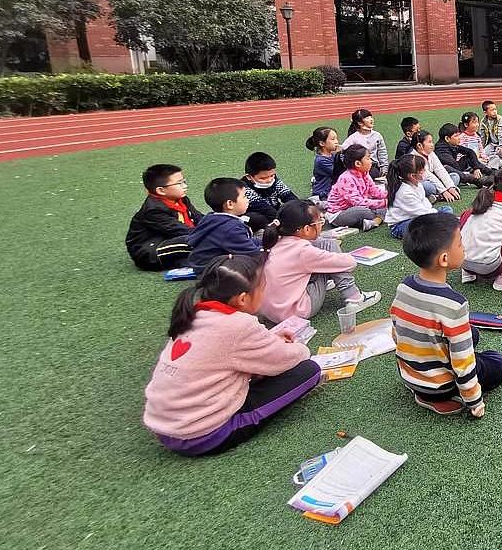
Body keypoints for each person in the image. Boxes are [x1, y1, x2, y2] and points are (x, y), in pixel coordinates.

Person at [143, 255, 321, 455]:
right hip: (202, 435)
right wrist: (301, 348)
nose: (265, 292)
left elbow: (225, 350)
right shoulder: (239, 325)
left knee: (256, 369)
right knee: (310, 371)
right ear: (243, 298)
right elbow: (288, 359)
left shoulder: (194, 315)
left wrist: (270, 338)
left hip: (164, 427)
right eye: (262, 288)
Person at [392, 212, 502, 417]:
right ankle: (438, 396)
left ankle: (422, 389)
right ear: (444, 259)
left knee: (471, 333)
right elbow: (463, 363)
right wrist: (474, 400)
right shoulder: (454, 305)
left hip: (409, 375)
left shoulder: (404, 286)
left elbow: (397, 331)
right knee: (498, 362)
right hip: (442, 386)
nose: (464, 247)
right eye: (461, 243)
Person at [259, 200, 380, 322]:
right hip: (295, 311)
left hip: (271, 311)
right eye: (319, 222)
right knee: (329, 245)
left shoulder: (277, 240)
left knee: (323, 249)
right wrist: (344, 256)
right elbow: (349, 263)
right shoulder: (303, 251)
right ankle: (355, 298)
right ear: (306, 229)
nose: (321, 225)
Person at [126, 163, 203, 271]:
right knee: (196, 239)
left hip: (171, 239)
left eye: (184, 181)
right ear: (161, 190)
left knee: (213, 227)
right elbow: (181, 230)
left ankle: (190, 260)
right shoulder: (153, 210)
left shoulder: (181, 199)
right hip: (150, 252)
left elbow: (199, 218)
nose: (185, 186)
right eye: (179, 183)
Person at [188, 178, 262, 271]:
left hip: (205, 266)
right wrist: (272, 249)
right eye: (244, 197)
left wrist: (266, 241)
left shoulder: (212, 217)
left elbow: (247, 241)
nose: (248, 200)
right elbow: (254, 254)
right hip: (214, 273)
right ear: (230, 204)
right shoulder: (230, 229)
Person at [385, 153, 453, 240]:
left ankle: (441, 226)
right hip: (401, 224)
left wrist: (437, 215)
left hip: (418, 216)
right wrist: (438, 217)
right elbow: (421, 212)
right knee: (425, 227)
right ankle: (442, 228)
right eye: (422, 170)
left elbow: (425, 203)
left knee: (446, 209)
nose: (425, 172)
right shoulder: (404, 192)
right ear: (413, 176)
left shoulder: (417, 184)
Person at [325, 144, 387, 230]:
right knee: (363, 211)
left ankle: (373, 222)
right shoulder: (346, 178)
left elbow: (374, 191)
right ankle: (376, 219)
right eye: (368, 158)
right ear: (358, 163)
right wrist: (383, 203)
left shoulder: (365, 173)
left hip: (356, 207)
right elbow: (358, 202)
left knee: (383, 205)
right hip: (340, 214)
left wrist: (390, 196)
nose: (371, 161)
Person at [241, 151, 299, 232]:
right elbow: (265, 210)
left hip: (274, 212)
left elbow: (289, 196)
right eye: (263, 178)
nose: (269, 180)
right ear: (249, 177)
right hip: (258, 217)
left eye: (272, 175)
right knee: (256, 218)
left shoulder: (274, 181)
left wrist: (299, 210)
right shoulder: (244, 189)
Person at [410, 130, 462, 204]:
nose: (432, 144)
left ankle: (437, 197)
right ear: (419, 145)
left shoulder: (431, 153)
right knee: (427, 186)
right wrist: (443, 191)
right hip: (423, 182)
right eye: (429, 142)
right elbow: (428, 176)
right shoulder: (414, 158)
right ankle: (440, 195)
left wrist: (451, 187)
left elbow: (440, 170)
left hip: (435, 180)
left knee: (455, 176)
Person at [436, 122, 491, 187]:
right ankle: (478, 180)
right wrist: (469, 174)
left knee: (467, 158)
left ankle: (491, 173)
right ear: (447, 139)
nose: (459, 138)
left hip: (456, 169)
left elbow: (470, 152)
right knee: (449, 170)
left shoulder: (451, 145)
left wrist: (476, 168)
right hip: (446, 175)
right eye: (456, 136)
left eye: (459, 135)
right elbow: (453, 165)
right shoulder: (441, 150)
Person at [342, 108, 389, 179]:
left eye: (371, 117)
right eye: (367, 118)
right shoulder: (352, 138)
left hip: (373, 167)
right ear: (360, 123)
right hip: (359, 169)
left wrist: (384, 167)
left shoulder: (377, 135)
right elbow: (343, 154)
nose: (371, 119)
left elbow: (382, 152)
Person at [306, 126, 343, 203]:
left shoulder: (332, 155)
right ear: (322, 143)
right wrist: (343, 153)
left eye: (336, 138)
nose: (336, 141)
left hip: (333, 190)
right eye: (333, 139)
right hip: (323, 194)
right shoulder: (321, 161)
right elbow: (340, 173)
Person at [478, 100, 502, 168]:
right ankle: (498, 160)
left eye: (495, 109)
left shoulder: (500, 119)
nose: (495, 112)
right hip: (492, 144)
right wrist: (481, 149)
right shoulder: (483, 122)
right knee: (483, 155)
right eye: (492, 110)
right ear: (485, 112)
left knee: (496, 155)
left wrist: (501, 146)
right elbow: (482, 136)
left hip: (501, 145)